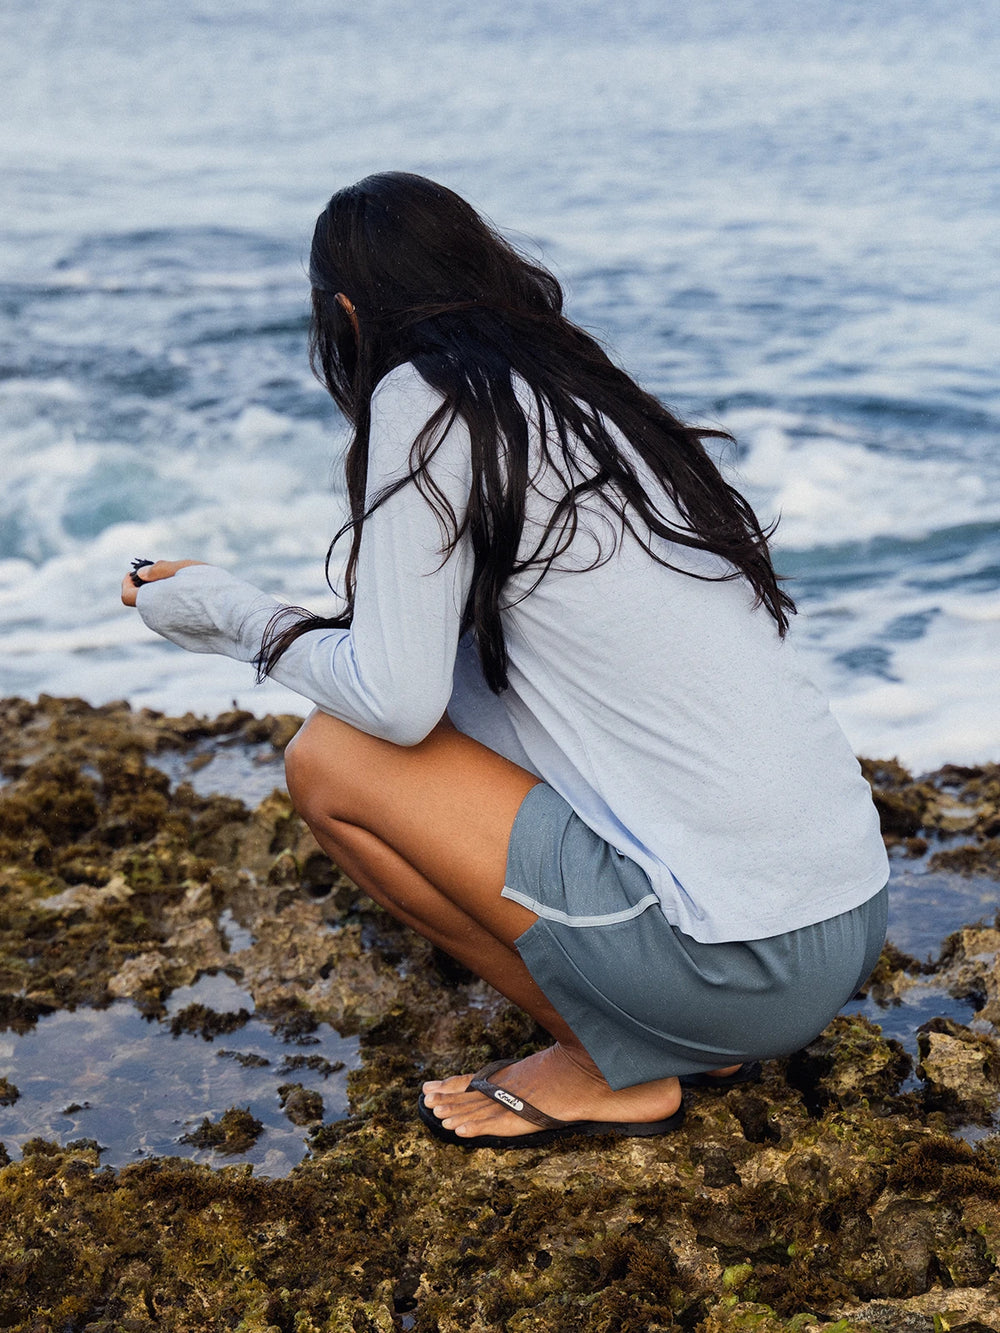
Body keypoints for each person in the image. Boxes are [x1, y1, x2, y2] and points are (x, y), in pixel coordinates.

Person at [122, 172, 889, 1150]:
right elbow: (437, 668)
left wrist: (231, 616)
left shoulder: (422, 393)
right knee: (426, 712)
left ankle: (608, 1059)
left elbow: (392, 707)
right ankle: (693, 1030)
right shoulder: (577, 397)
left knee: (331, 759)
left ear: (348, 316)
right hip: (844, 918)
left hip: (739, 964)